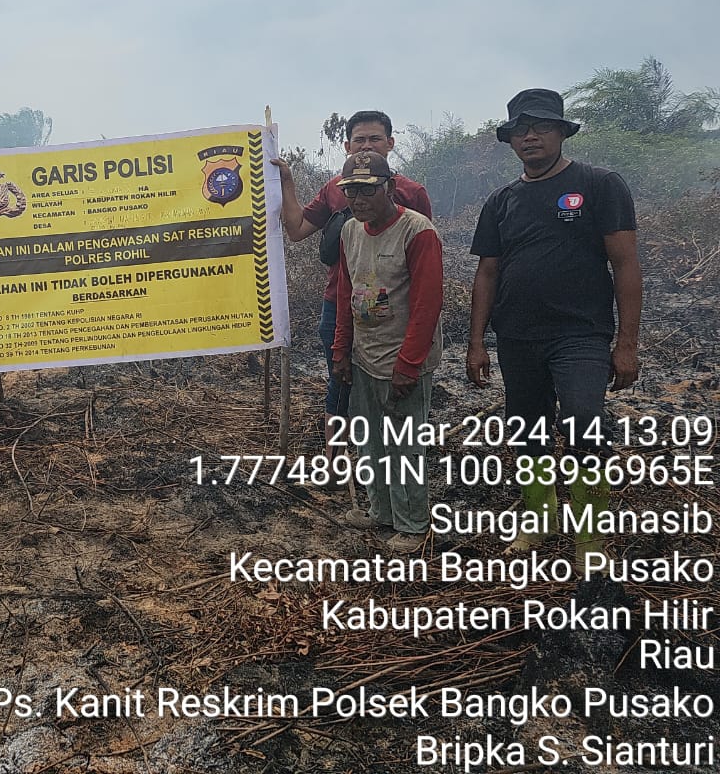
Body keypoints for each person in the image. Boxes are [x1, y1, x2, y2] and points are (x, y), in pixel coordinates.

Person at [467, 89, 641, 572]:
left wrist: (627, 345)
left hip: (581, 333)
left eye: (541, 126)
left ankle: (590, 536)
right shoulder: (502, 201)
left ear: (562, 131)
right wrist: (477, 341)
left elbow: (625, 264)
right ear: (510, 141)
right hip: (517, 335)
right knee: (527, 429)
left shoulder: (601, 184)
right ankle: (541, 515)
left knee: (585, 420)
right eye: (520, 130)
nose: (530, 136)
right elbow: (487, 273)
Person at [271, 111, 432, 452]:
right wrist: (286, 182)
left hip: (396, 314)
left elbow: (425, 272)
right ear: (346, 146)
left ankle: (388, 456)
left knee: (393, 385)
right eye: (359, 140)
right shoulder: (334, 189)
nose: (367, 145)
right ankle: (338, 461)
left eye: (375, 139)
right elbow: (298, 230)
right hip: (342, 305)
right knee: (340, 383)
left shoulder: (413, 194)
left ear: (390, 143)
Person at [330, 151, 443, 553]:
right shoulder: (349, 232)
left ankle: (412, 523)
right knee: (370, 438)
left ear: (390, 188)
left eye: (367, 190)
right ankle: (379, 511)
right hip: (366, 355)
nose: (358, 200)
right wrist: (340, 349)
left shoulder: (418, 232)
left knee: (405, 442)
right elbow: (346, 291)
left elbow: (428, 305)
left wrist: (408, 365)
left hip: (403, 357)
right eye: (352, 192)